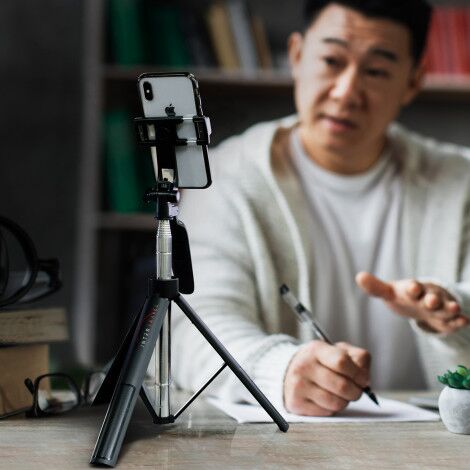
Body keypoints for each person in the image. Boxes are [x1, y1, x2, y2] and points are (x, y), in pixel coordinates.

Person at [172, 0, 470, 417]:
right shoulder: (224, 176)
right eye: (331, 61)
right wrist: (281, 369)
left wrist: (452, 311)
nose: (346, 92)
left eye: (376, 71)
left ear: (412, 82)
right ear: (296, 56)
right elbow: (191, 327)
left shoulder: (462, 182)